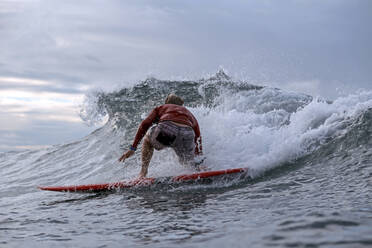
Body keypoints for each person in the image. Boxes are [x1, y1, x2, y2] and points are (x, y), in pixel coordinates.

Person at [118, 94, 203, 178]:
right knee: (187, 161)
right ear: (180, 105)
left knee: (148, 140)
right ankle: (200, 169)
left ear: (166, 102)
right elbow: (198, 137)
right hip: (187, 133)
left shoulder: (162, 107)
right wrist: (199, 156)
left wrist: (133, 148)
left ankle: (143, 173)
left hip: (168, 131)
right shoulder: (188, 113)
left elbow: (145, 124)